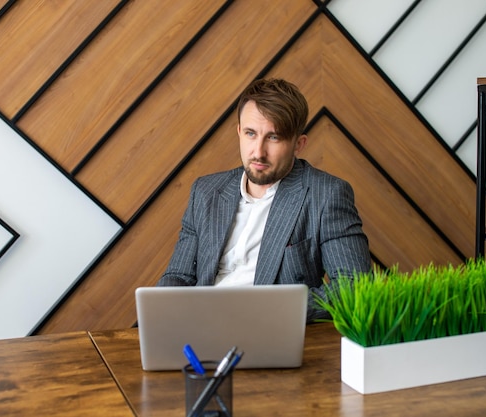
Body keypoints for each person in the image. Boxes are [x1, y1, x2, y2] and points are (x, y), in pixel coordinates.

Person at [157, 78, 371, 322]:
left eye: (273, 138)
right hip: (198, 325)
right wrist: (160, 315)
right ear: (239, 132)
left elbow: (354, 287)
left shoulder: (327, 195)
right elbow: (178, 276)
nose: (258, 152)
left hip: (268, 328)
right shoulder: (205, 192)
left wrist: (268, 311)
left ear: (298, 144)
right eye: (250, 134)